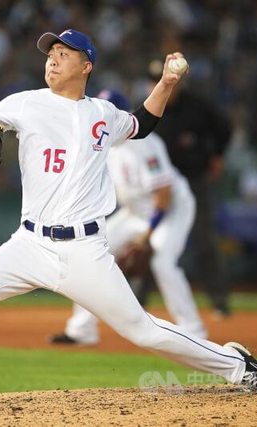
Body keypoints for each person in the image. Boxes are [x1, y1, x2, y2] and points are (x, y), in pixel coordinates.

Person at [0, 29, 257, 417]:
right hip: (29, 244)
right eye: (50, 55)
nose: (52, 60)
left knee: (142, 330)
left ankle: (239, 365)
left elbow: (142, 123)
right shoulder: (25, 104)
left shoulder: (103, 114)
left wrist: (166, 82)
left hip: (84, 251)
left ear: (86, 65)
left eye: (63, 54)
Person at [49, 89, 207, 346]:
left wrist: (147, 235)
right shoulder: (103, 144)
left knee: (163, 263)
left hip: (170, 211)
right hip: (135, 213)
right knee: (88, 252)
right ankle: (82, 330)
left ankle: (194, 331)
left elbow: (164, 196)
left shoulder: (144, 145)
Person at [142, 59, 233, 317]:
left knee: (205, 241)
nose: (156, 85)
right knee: (148, 240)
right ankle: (138, 301)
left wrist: (217, 155)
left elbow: (225, 128)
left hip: (194, 181)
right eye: (153, 81)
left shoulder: (197, 106)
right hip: (159, 186)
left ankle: (219, 301)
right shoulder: (148, 107)